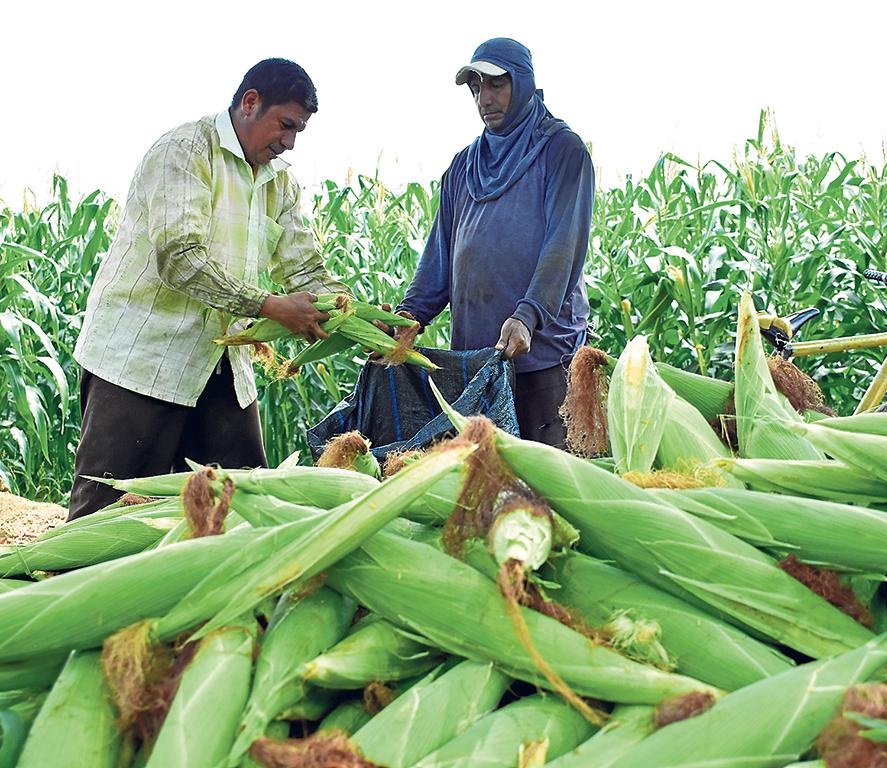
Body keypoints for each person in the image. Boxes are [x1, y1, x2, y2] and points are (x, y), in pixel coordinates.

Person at [68, 58, 345, 520]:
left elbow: (305, 268)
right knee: (109, 513)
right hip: (143, 361)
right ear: (250, 103)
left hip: (221, 365)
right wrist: (268, 305)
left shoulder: (280, 183)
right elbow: (181, 257)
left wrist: (357, 315)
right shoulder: (185, 150)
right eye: (285, 125)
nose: (289, 142)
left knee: (241, 511)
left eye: (298, 132)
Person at [396, 37, 595, 448]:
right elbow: (440, 256)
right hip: (479, 363)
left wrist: (527, 315)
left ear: (522, 83)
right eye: (476, 89)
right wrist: (408, 317)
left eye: (496, 85)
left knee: (548, 488)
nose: (484, 98)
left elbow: (564, 245)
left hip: (542, 358)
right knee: (485, 487)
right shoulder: (462, 167)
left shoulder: (561, 150)